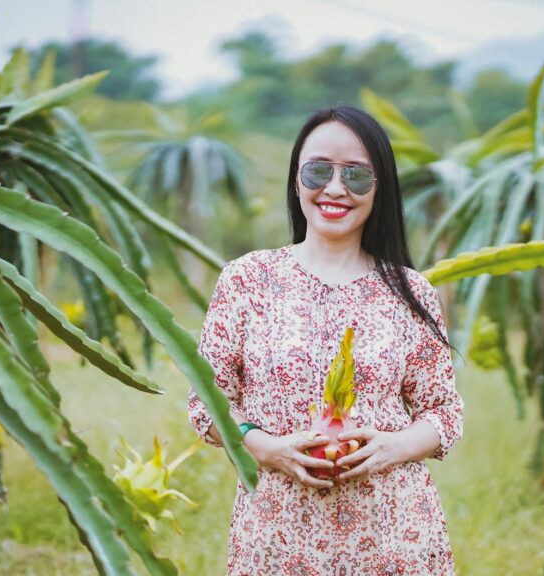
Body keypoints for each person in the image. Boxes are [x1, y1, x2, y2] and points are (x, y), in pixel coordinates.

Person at [187, 105, 464, 575]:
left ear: (380, 188)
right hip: (276, 539)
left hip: (393, 537)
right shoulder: (248, 279)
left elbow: (444, 411)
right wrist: (264, 447)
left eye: (356, 175)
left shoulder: (411, 291)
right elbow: (206, 402)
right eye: (318, 171)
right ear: (296, 180)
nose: (335, 188)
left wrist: (394, 446)